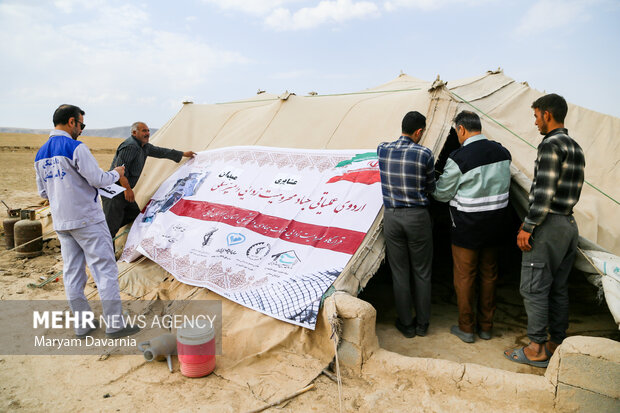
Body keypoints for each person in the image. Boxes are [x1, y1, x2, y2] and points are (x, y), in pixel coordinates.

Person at [34, 104, 139, 339]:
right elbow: (98, 179)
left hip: (62, 222)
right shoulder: (76, 147)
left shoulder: (40, 154)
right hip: (88, 220)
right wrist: (118, 173)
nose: (81, 130)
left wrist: (63, 189)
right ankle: (114, 325)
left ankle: (82, 325)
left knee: (72, 273)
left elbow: (42, 193)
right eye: (81, 124)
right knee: (104, 269)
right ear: (71, 122)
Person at [505, 94, 585, 367]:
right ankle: (555, 343)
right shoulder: (575, 147)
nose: (536, 121)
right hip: (568, 225)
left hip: (549, 225)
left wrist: (527, 226)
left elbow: (544, 193)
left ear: (548, 115)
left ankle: (536, 349)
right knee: (558, 288)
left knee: (534, 288)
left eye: (537, 116)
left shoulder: (550, 145)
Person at [433, 111, 512, 343]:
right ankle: (486, 327)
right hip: (496, 225)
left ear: (461, 130)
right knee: (489, 275)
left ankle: (466, 328)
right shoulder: (502, 152)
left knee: (465, 277)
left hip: (467, 227)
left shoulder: (459, 158)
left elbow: (442, 194)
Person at [377, 111, 435, 338]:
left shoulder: (383, 149)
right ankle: (422, 324)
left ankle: (406, 324)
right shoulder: (424, 154)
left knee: (399, 272)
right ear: (419, 132)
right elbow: (431, 187)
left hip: (392, 216)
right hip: (417, 217)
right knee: (422, 272)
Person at [102, 121, 196, 237]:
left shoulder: (144, 146)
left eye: (148, 130)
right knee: (110, 228)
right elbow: (120, 170)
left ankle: (103, 228)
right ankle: (105, 249)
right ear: (134, 132)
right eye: (144, 131)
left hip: (123, 190)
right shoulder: (130, 146)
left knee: (134, 215)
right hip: (115, 190)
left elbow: (161, 152)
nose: (147, 133)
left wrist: (183, 154)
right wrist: (127, 189)